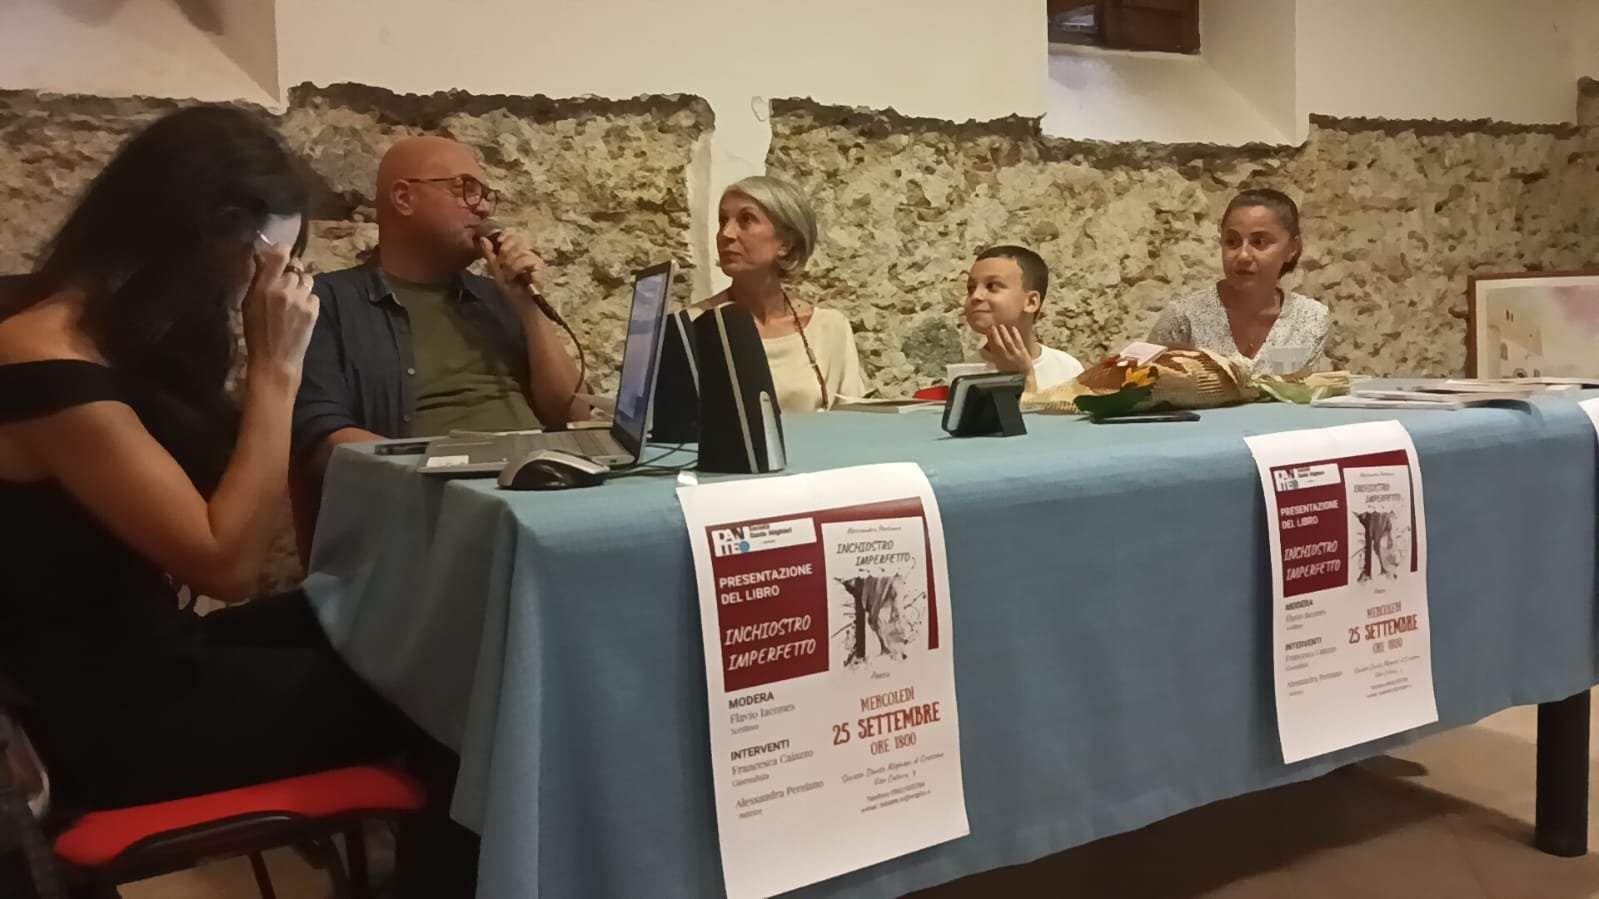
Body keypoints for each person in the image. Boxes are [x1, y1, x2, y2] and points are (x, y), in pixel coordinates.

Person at [0, 106, 473, 897]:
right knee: (448, 697)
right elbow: (226, 562)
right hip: (103, 715)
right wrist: (276, 370)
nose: (256, 289)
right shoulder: (42, 361)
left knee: (369, 614)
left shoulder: (101, 333)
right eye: (263, 264)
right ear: (194, 234)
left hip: (147, 653)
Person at [292, 135, 587, 484]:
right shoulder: (328, 302)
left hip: (540, 478)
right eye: (466, 189)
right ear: (404, 198)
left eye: (486, 195)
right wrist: (438, 467)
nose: (483, 208)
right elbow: (322, 440)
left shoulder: (494, 297)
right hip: (430, 493)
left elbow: (575, 415)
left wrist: (529, 309)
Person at [693, 175, 866, 412]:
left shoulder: (829, 329)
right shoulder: (694, 325)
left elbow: (856, 420)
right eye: (723, 221)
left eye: (746, 219)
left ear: (785, 243)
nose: (726, 233)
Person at [1147, 188, 1330, 374]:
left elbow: (1305, 389)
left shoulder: (1309, 319)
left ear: (1292, 248)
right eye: (1232, 242)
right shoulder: (1184, 317)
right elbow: (1142, 382)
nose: (1243, 255)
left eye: (1259, 242)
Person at [961, 245, 1084, 391]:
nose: (976, 296)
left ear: (1031, 302)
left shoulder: (1067, 370)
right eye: (971, 288)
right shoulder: (966, 377)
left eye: (992, 286)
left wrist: (1025, 378)